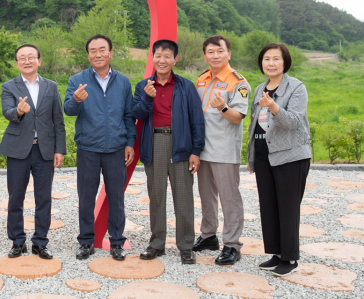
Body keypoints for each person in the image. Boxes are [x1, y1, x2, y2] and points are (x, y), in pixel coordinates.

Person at [132, 39, 205, 265]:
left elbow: (197, 120)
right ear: (152, 57)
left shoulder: (186, 86)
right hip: (154, 142)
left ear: (175, 59)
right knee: (156, 196)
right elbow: (137, 114)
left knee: (183, 197)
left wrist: (196, 150)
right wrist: (147, 97)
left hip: (180, 143)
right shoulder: (143, 85)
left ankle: (186, 245)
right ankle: (157, 243)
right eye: (158, 55)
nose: (162, 60)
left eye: (167, 56)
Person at [64, 34, 136, 261]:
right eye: (93, 50)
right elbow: (68, 109)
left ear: (111, 53)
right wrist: (76, 99)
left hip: (116, 148)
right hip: (88, 148)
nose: (98, 54)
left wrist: (130, 143)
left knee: (116, 198)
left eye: (102, 49)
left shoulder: (123, 81)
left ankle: (116, 242)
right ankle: (86, 242)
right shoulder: (77, 80)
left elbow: (128, 115)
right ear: (88, 55)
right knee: (86, 197)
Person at [247, 43, 311, 277]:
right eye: (266, 59)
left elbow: (294, 121)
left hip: (291, 156)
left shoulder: (296, 87)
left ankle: (290, 258)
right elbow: (254, 126)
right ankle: (276, 253)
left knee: (287, 207)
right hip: (265, 156)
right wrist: (253, 156)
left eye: (276, 59)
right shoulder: (259, 88)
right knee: (269, 207)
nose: (271, 63)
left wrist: (273, 106)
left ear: (285, 62)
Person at [0, 44, 66, 260]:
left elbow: (58, 120)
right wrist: (18, 111)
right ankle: (17, 241)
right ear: (16, 63)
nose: (27, 61)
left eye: (31, 57)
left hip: (44, 150)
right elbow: (7, 111)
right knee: (15, 198)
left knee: (43, 198)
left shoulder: (51, 86)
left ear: (39, 60)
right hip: (18, 150)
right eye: (22, 58)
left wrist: (60, 149)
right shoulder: (9, 86)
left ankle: (40, 242)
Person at [194, 35, 250, 265]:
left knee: (229, 198)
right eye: (210, 52)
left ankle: (232, 244)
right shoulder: (201, 79)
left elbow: (236, 117)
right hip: (202, 148)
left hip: (224, 150)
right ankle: (208, 235)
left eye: (220, 51)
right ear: (205, 55)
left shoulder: (239, 82)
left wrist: (224, 107)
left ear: (229, 53)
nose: (215, 56)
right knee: (207, 197)